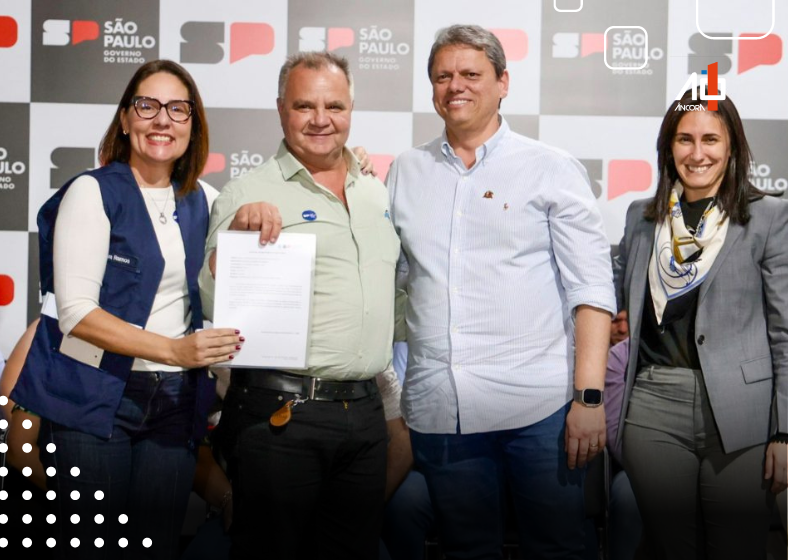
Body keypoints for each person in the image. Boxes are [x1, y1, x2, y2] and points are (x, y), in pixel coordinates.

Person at [386, 24, 616, 559]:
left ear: (503, 82)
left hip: (539, 410)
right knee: (465, 550)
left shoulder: (550, 168)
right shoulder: (405, 170)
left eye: (471, 73)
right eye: (443, 76)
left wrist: (588, 399)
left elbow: (592, 291)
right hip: (442, 410)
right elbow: (389, 276)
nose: (455, 86)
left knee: (558, 548)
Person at [10, 59, 243, 560]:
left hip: (175, 403)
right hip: (93, 400)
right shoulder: (91, 191)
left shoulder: (205, 198)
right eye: (147, 106)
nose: (162, 120)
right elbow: (76, 313)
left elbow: (240, 264)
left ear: (193, 125)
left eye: (178, 109)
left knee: (155, 549)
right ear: (124, 119)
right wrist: (174, 350)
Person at [198, 51, 400, 560]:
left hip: (366, 413)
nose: (320, 119)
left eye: (334, 105)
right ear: (280, 109)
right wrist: (235, 247)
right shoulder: (247, 192)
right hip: (279, 417)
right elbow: (210, 298)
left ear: (351, 107)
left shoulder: (377, 191)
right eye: (304, 105)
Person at [613, 87, 788, 559]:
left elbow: (785, 333)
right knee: (672, 550)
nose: (697, 153)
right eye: (684, 139)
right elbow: (624, 307)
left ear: (732, 146)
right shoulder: (640, 218)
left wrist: (785, 431)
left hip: (742, 411)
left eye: (710, 139)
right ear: (668, 147)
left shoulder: (768, 216)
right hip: (653, 407)